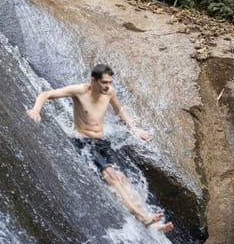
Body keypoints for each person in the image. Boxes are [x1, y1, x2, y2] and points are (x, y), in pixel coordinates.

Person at [27, 64, 173, 233]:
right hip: (84, 142)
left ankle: (153, 223)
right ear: (93, 80)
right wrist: (36, 110)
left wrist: (136, 129)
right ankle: (140, 215)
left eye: (110, 82)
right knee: (111, 175)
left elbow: (120, 110)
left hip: (102, 142)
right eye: (104, 82)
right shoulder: (80, 91)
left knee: (123, 178)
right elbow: (47, 94)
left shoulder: (109, 92)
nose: (107, 86)